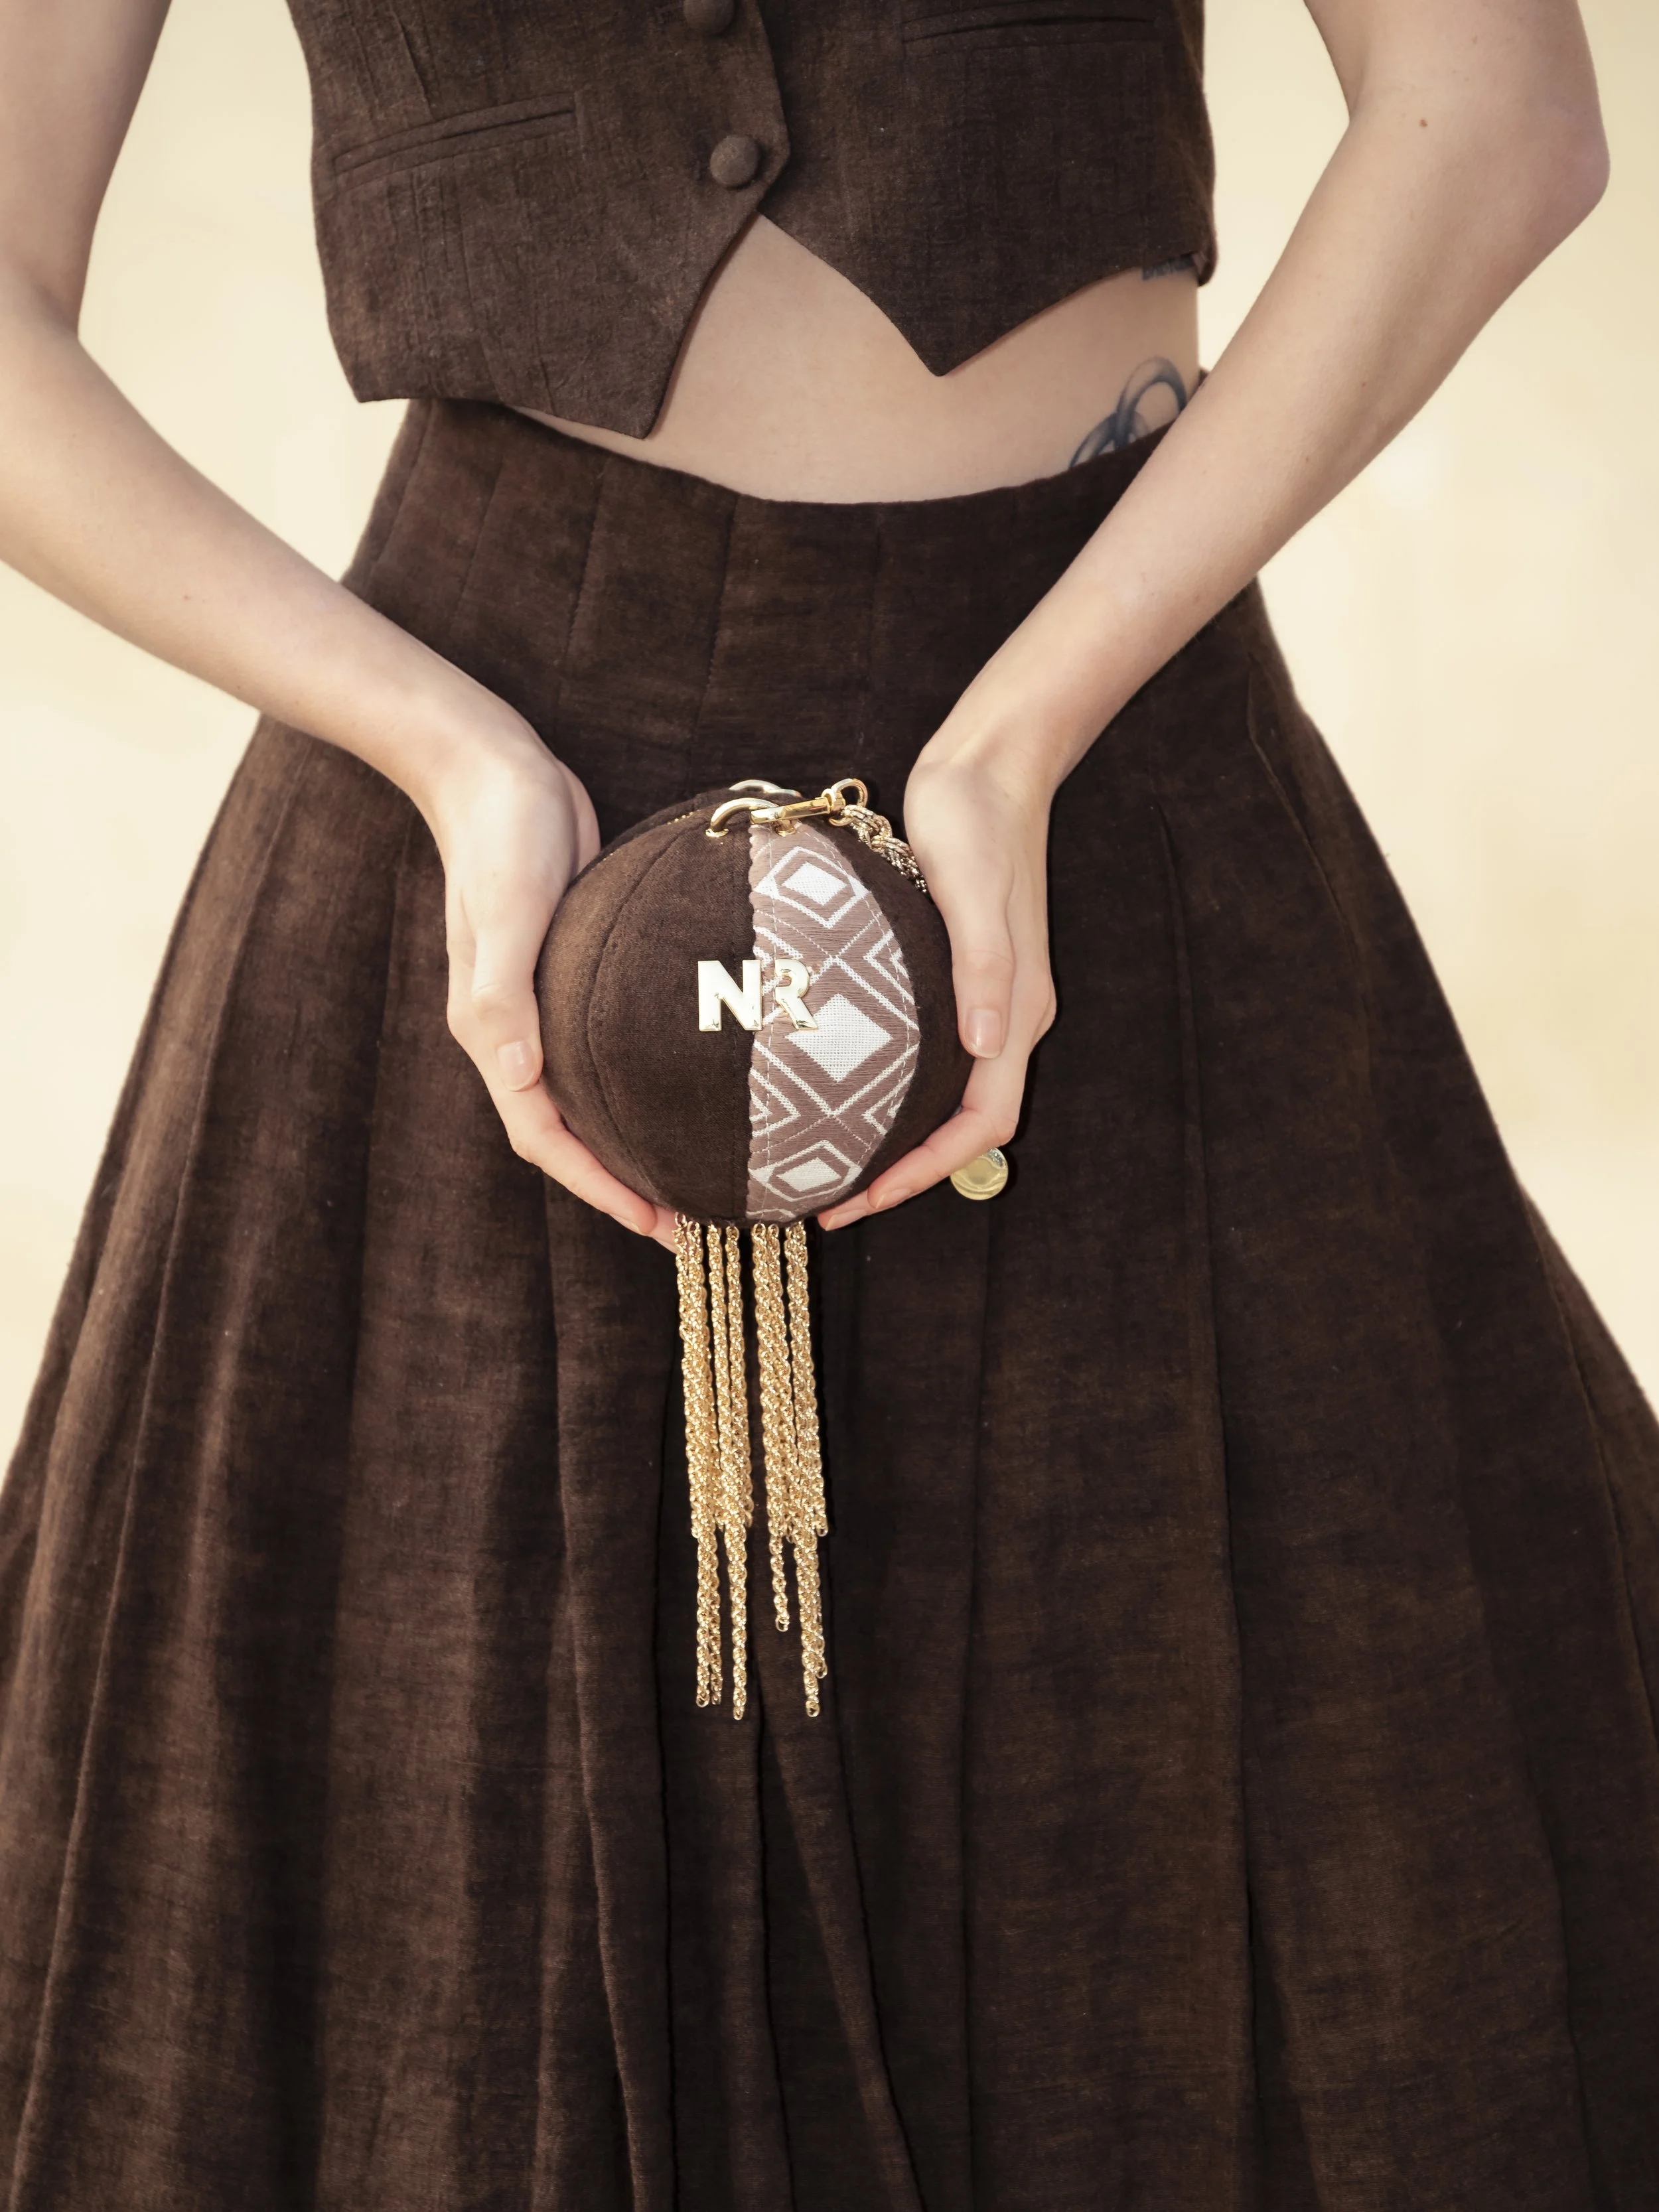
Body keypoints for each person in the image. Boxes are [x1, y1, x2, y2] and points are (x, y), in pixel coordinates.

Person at [1, 0, 1654, 2203]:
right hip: (464, 854)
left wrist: (1022, 732)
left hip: (1109, 783)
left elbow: (1493, 123)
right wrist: (444, 750)